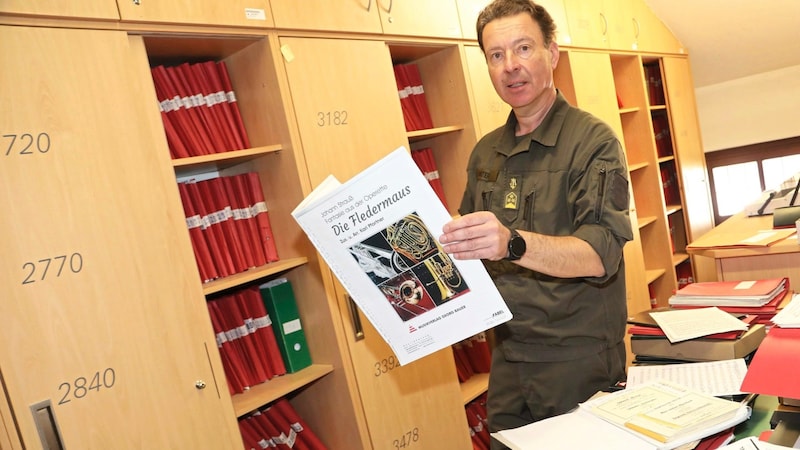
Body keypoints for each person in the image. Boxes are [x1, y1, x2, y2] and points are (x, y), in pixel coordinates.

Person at [437, 1, 633, 448]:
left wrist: (511, 243)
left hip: (578, 361)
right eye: (496, 54)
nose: (511, 66)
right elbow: (469, 251)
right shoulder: (485, 153)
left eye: (523, 48)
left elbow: (601, 254)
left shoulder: (594, 142)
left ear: (553, 54)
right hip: (507, 359)